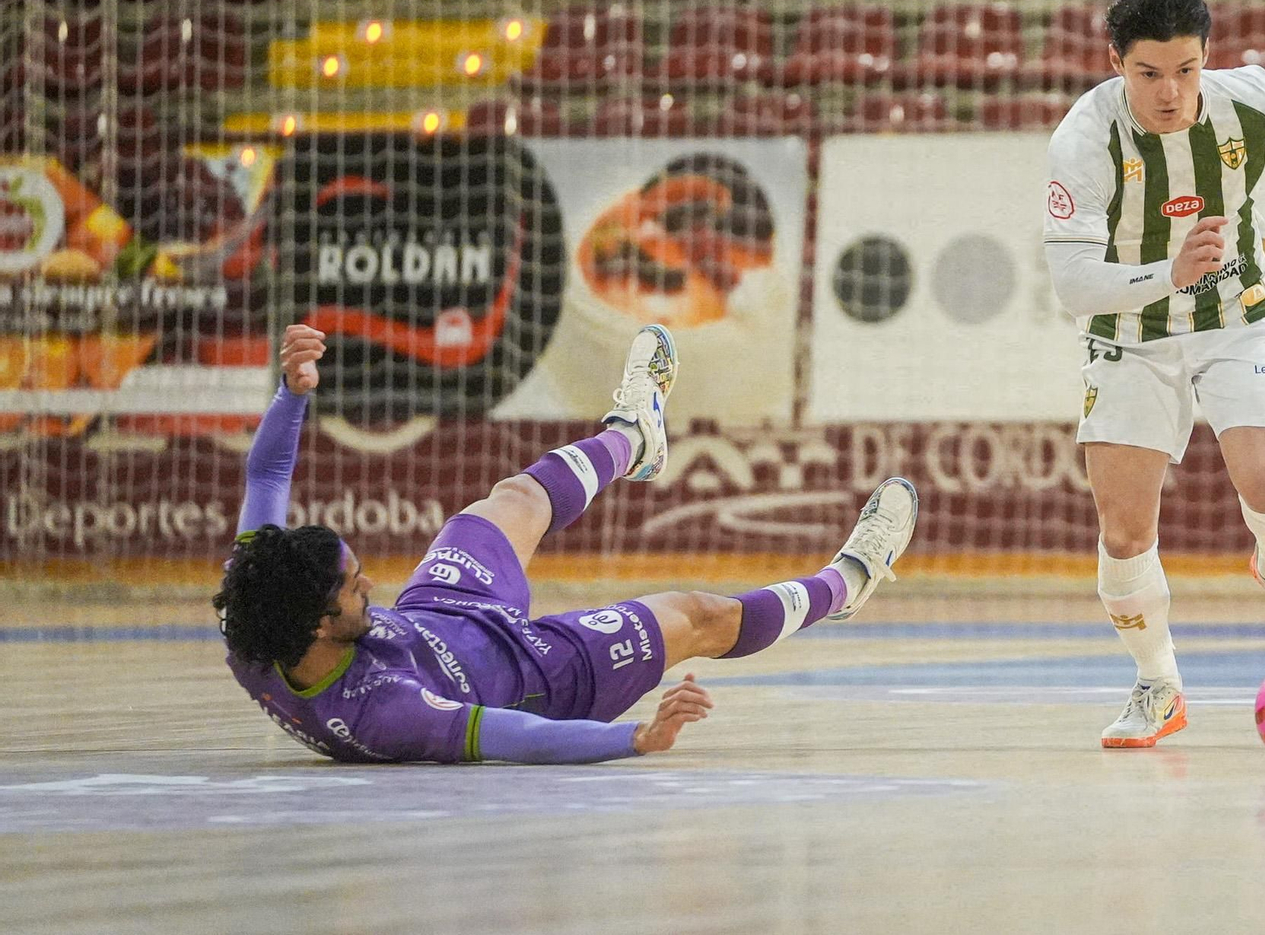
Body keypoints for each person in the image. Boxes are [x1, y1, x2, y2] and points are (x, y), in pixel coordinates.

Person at [213, 321, 918, 762]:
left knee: (514, 498)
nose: (368, 582)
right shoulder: (386, 712)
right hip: (534, 678)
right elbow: (515, 738)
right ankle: (851, 580)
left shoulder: (252, 608)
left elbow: (269, 470)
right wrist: (633, 739)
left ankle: (634, 434)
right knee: (702, 616)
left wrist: (294, 392)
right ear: (318, 622)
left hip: (438, 618)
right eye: (352, 584)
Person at [1040, 0, 1265, 748]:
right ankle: (1158, 684)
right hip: (1129, 329)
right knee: (1122, 531)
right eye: (1149, 74)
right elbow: (1073, 286)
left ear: (1207, 58)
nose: (1171, 93)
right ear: (1116, 62)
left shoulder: (1245, 100)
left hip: (1237, 313)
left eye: (1185, 70)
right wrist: (1166, 275)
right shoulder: (1084, 140)